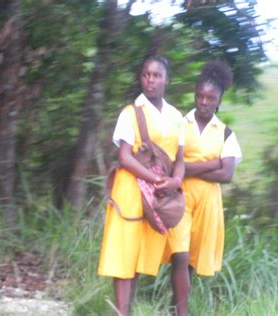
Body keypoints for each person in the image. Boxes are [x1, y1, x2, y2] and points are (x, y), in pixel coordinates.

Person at [98, 56, 190, 316]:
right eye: (146, 75)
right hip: (130, 190)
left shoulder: (175, 116)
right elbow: (124, 157)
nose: (150, 80)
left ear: (166, 80)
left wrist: (175, 181)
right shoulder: (131, 113)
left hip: (159, 194)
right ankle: (121, 312)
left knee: (139, 256)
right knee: (124, 254)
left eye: (156, 75)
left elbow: (180, 160)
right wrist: (156, 180)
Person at [180, 60, 242, 293]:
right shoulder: (180, 125)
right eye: (200, 96)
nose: (204, 102)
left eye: (211, 98)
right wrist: (212, 163)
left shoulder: (226, 133)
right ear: (195, 95)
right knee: (179, 253)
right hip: (180, 198)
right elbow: (175, 167)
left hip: (208, 203)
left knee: (193, 258)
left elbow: (226, 174)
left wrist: (190, 167)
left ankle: (176, 307)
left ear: (218, 101)